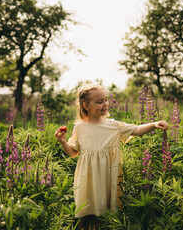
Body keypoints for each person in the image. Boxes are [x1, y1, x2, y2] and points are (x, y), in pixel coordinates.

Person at [55, 84, 169, 229]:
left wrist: (154, 124)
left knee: (107, 215)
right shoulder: (80, 127)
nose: (105, 104)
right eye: (99, 101)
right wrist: (63, 142)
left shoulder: (113, 125)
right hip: (88, 179)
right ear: (85, 105)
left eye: (106, 100)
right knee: (86, 212)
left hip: (108, 175)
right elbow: (73, 152)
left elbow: (136, 130)